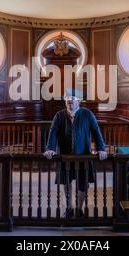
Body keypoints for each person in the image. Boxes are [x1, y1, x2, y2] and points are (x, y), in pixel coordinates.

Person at [43, 89, 107, 218]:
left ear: (78, 100)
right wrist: (50, 148)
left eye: (72, 98)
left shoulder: (87, 114)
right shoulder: (59, 115)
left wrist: (102, 148)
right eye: (67, 98)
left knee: (82, 184)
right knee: (65, 183)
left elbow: (96, 131)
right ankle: (68, 207)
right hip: (64, 156)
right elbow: (53, 132)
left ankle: (78, 208)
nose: (69, 100)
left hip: (83, 156)